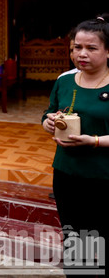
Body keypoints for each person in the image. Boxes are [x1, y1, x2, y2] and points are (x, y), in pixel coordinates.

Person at [42, 15, 109, 276]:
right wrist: (48, 123)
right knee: (74, 239)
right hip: (67, 174)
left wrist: (93, 141)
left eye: (91, 48)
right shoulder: (65, 81)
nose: (82, 54)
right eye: (76, 47)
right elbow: (48, 112)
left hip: (103, 176)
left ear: (107, 51)